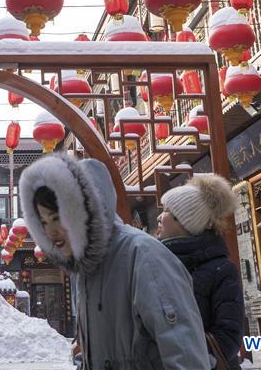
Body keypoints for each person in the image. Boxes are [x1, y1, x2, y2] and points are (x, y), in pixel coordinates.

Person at [20, 154, 209, 369]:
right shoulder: (84, 271)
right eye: (43, 222)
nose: (51, 231)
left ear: (85, 210)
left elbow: (185, 355)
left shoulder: (143, 255)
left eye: (57, 217)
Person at [159, 173, 245, 370]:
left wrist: (173, 353)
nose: (159, 217)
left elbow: (228, 338)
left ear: (184, 222)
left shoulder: (222, 270)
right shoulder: (158, 263)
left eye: (165, 211)